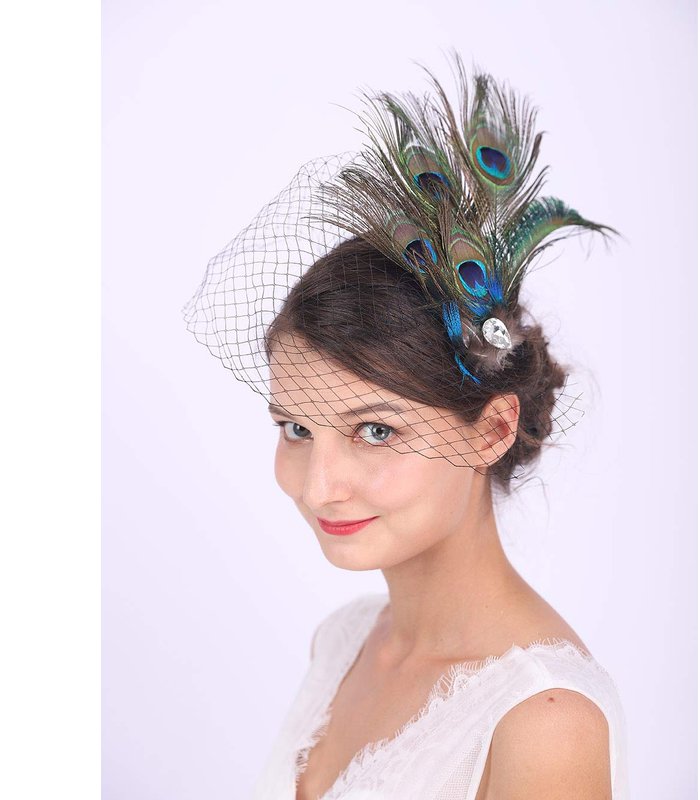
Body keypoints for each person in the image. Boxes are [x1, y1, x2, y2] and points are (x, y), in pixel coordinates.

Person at [184, 53, 629, 800]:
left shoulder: (543, 723)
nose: (318, 487)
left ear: (491, 431)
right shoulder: (345, 643)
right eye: (296, 429)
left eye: (375, 431)